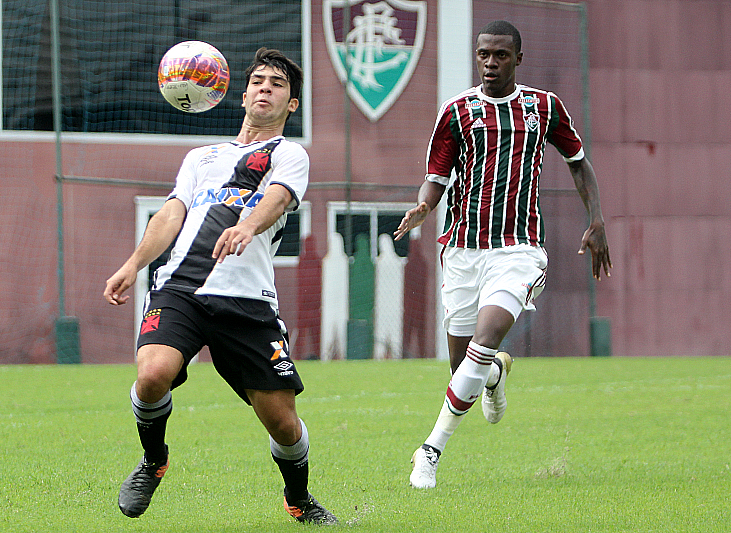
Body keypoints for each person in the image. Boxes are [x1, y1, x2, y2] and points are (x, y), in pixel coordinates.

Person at [104, 48, 337, 525]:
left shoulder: (288, 153)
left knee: (283, 424)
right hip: (180, 289)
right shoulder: (200, 157)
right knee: (152, 375)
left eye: (277, 84)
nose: (265, 88)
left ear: (291, 104)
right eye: (258, 81)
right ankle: (153, 461)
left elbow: (279, 198)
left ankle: (298, 497)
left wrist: (247, 225)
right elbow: (171, 214)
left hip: (247, 302)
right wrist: (133, 264)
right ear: (242, 94)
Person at [394, 20, 611, 489]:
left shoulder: (543, 107)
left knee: (486, 337)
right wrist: (424, 206)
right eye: (483, 55)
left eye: (500, 55)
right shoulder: (456, 112)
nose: (490, 63)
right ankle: (493, 374)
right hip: (462, 250)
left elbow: (579, 164)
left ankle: (429, 451)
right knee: (464, 370)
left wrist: (596, 220)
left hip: (518, 250)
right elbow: (436, 177)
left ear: (518, 59)